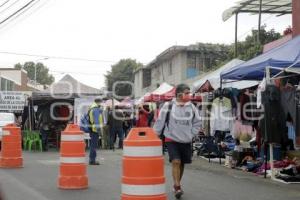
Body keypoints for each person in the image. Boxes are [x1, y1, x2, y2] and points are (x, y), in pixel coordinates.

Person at [153, 84, 201, 199]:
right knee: (176, 161)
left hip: (186, 140)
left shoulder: (192, 107)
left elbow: (197, 123)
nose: (189, 95)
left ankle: (176, 184)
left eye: (189, 92)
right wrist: (155, 135)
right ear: (178, 94)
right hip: (171, 139)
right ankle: (178, 186)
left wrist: (192, 134)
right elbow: (160, 121)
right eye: (186, 92)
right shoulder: (168, 106)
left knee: (182, 163)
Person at [88, 97, 104, 165]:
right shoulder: (96, 109)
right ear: (99, 102)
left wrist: (101, 110)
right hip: (95, 129)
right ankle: (92, 160)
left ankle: (92, 159)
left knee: (93, 145)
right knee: (94, 145)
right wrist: (99, 130)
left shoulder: (92, 108)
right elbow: (97, 120)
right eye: (101, 102)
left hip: (92, 128)